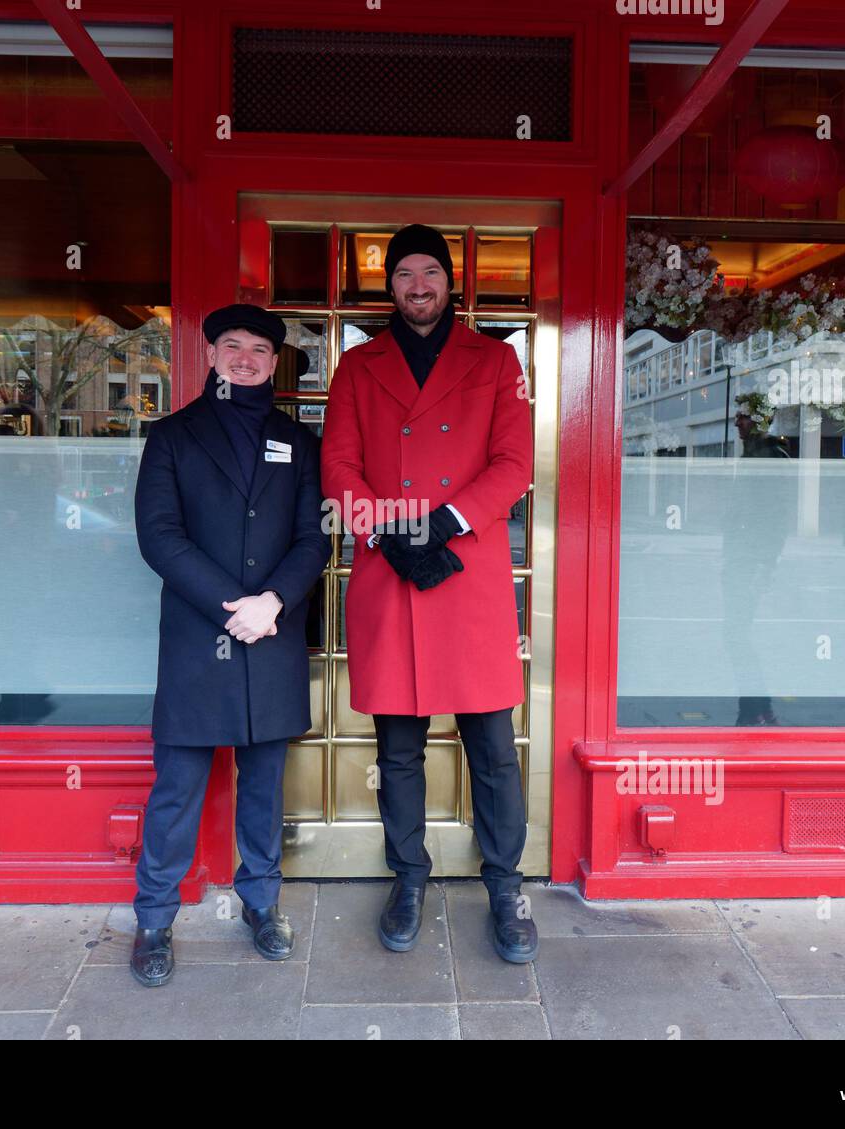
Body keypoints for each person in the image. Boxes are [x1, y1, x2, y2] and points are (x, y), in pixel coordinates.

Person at [320, 224, 538, 963]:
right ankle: (408, 876)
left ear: (451, 283)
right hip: (391, 574)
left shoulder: (497, 358)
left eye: (430, 272)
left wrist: (440, 524)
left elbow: (514, 465)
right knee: (400, 748)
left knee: (493, 749)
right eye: (405, 273)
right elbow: (339, 470)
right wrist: (389, 536)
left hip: (465, 573)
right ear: (391, 287)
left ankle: (506, 885)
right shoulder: (357, 366)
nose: (418, 285)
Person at [131, 304, 331, 987]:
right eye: (233, 346)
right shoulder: (172, 435)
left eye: (259, 349)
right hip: (198, 641)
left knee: (264, 791)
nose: (246, 358)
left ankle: (262, 904)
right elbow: (160, 536)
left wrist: (272, 601)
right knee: (177, 789)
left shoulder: (298, 443)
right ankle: (155, 918)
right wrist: (233, 607)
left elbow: (314, 539)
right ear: (212, 354)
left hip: (271, 637)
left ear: (275, 363)